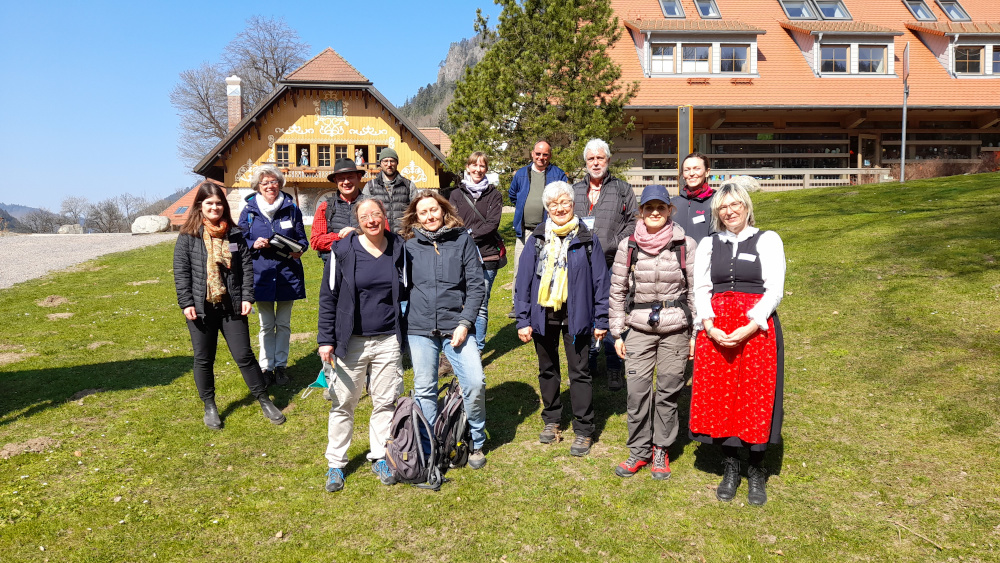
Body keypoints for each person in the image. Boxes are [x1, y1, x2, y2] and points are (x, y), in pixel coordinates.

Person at [690, 181, 786, 506]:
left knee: (755, 395)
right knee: (722, 397)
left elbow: (774, 290)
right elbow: (701, 288)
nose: (730, 211)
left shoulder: (767, 239)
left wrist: (749, 326)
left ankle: (756, 470)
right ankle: (730, 465)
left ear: (746, 206)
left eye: (735, 205)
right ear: (717, 211)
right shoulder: (708, 243)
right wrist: (708, 325)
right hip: (717, 329)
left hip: (755, 329)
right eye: (723, 207)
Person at [173, 183, 286, 429]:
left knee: (244, 355)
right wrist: (186, 303)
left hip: (232, 305)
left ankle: (264, 399)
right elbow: (181, 273)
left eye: (218, 203)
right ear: (200, 206)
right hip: (201, 307)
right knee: (204, 358)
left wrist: (247, 297)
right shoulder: (187, 236)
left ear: (224, 206)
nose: (214, 207)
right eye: (209, 203)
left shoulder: (235, 235)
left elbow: (246, 268)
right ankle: (210, 406)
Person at [608, 185, 697, 480]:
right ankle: (638, 450)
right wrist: (617, 333)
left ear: (670, 211)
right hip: (638, 328)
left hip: (676, 329)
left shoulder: (685, 244)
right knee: (637, 393)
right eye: (649, 208)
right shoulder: (628, 246)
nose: (655, 213)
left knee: (669, 392)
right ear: (641, 212)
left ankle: (661, 448)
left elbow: (696, 290)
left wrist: (696, 334)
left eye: (661, 207)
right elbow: (617, 290)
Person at [318, 198, 407, 492]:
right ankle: (336, 464)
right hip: (351, 341)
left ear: (384, 217)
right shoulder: (342, 251)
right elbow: (328, 297)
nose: (371, 219)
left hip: (387, 340)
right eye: (365, 215)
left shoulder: (398, 247)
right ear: (358, 220)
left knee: (385, 401)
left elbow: (406, 289)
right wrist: (325, 340)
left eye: (376, 214)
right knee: (344, 403)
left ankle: (380, 455)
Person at [515, 181, 609, 457]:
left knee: (579, 372)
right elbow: (523, 283)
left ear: (573, 204)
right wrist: (523, 319)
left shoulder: (586, 237)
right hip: (543, 315)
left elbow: (601, 282)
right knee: (547, 369)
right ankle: (552, 419)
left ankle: (583, 429)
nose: (559, 208)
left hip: (577, 315)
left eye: (564, 202)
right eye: (553, 204)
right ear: (546, 207)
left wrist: (600, 320)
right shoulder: (537, 238)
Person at [401, 190, 488, 469]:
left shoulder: (462, 239)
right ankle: (430, 445)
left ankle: (476, 438)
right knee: (425, 388)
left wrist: (465, 323)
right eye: (423, 212)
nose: (429, 216)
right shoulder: (408, 244)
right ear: (416, 216)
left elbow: (476, 286)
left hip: (456, 326)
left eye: (434, 210)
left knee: (474, 383)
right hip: (420, 327)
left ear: (443, 211)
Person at [572, 138, 638, 391]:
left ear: (608, 160)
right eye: (591, 159)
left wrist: (614, 243)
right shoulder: (575, 190)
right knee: (583, 310)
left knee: (612, 313)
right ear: (586, 162)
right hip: (580, 262)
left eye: (600, 158)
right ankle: (587, 361)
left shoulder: (622, 189)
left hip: (610, 262)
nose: (596, 162)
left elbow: (634, 222)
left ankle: (613, 366)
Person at [239, 165, 308, 386]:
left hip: (287, 273)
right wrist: (253, 243)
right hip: (261, 275)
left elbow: (302, 239)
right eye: (265, 183)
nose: (270, 186)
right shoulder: (249, 211)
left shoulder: (292, 209)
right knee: (266, 325)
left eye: (274, 182)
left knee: (284, 324)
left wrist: (300, 250)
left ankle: (281, 367)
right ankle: (266, 367)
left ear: (280, 184)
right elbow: (238, 241)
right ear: (258, 186)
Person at [449, 151, 504, 351]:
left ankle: (478, 348)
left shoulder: (494, 195)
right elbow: (452, 221)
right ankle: (461, 340)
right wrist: (462, 236)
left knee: (480, 304)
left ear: (486, 169)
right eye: (474, 165)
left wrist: (468, 235)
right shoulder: (456, 194)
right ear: (468, 167)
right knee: (459, 300)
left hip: (486, 254)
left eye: (482, 166)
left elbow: (492, 224)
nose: (478, 169)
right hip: (460, 256)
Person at [508, 141, 568, 318]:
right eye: (538, 154)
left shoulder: (557, 174)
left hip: (549, 230)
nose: (541, 158)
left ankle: (545, 301)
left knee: (547, 266)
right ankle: (517, 304)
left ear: (550, 156)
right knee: (521, 267)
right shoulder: (521, 174)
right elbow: (513, 195)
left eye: (545, 155)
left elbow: (565, 195)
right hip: (524, 230)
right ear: (532, 154)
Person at [311, 159, 365, 264]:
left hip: (365, 264)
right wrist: (343, 236)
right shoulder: (325, 207)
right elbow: (316, 241)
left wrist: (357, 232)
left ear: (359, 177)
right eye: (341, 179)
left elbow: (384, 235)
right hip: (335, 266)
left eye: (350, 177)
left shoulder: (373, 205)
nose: (346, 182)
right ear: (336, 181)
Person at [362, 147, 416, 233]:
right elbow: (364, 212)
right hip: (380, 236)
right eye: (385, 161)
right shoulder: (370, 186)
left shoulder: (408, 185)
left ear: (397, 163)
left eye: (392, 161)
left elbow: (416, 212)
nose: (389, 164)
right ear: (381, 164)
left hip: (403, 236)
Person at [674, 152, 717, 243]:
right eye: (687, 170)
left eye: (697, 169)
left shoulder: (717, 201)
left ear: (707, 172)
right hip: (676, 256)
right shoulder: (673, 204)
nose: (692, 173)